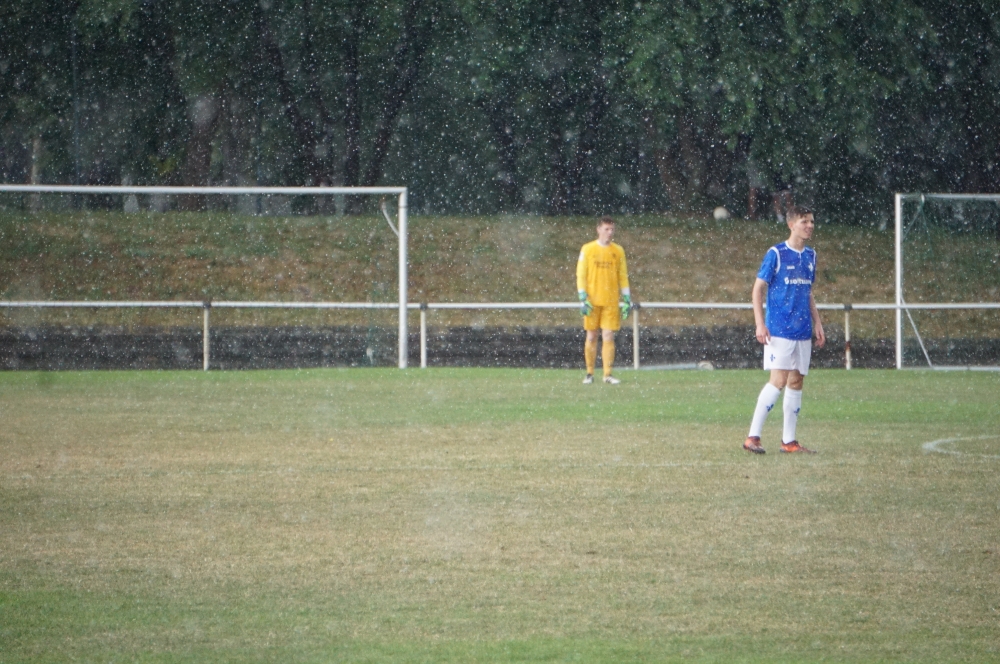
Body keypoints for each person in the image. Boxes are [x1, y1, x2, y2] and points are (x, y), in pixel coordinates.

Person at [744, 205, 825, 454]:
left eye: (811, 221)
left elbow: (808, 292)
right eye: (804, 222)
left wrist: (818, 321)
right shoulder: (776, 254)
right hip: (779, 329)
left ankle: (788, 441)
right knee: (777, 380)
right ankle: (752, 437)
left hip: (802, 330)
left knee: (796, 380)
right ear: (791, 224)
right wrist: (760, 323)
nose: (809, 226)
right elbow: (757, 289)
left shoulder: (810, 256)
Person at [577, 216, 632, 385]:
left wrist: (627, 297)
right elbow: (581, 274)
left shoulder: (618, 251)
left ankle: (607, 374)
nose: (609, 233)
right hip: (592, 300)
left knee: (608, 335)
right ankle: (589, 373)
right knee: (592, 335)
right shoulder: (588, 249)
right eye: (606, 229)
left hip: (610, 300)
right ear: (598, 229)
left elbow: (622, 275)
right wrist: (582, 296)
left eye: (612, 229)